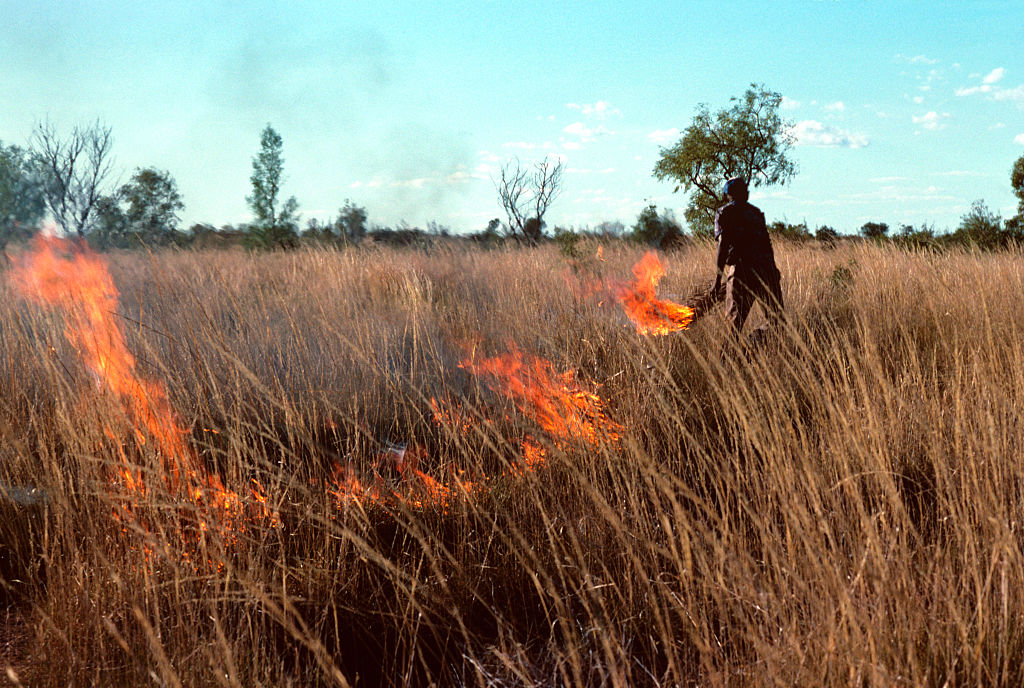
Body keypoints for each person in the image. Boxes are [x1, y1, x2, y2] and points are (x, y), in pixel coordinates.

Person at [712, 177, 784, 333]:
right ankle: (752, 345)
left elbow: (723, 245)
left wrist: (717, 281)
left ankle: (740, 352)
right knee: (777, 320)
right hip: (765, 270)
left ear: (727, 194)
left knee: (733, 326)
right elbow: (767, 244)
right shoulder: (756, 213)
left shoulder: (724, 213)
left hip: (741, 272)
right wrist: (773, 269)